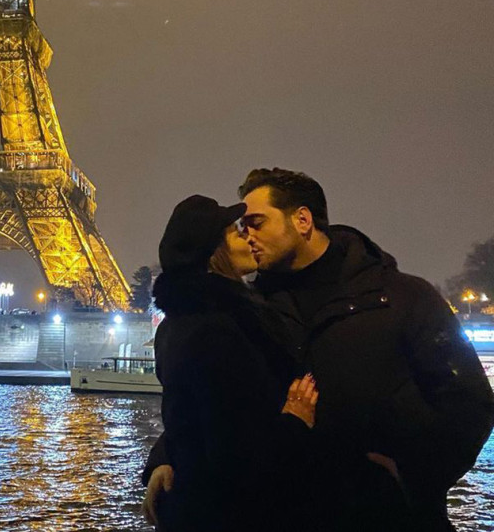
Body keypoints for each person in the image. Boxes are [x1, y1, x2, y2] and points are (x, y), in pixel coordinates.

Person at [144, 169, 494, 532]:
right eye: (242, 227)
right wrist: (166, 458)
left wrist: (409, 479)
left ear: (302, 220)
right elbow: (220, 403)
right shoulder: (243, 308)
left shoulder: (405, 298)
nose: (248, 235)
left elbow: (468, 404)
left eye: (256, 223)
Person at [142, 195, 319, 532]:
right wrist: (295, 422)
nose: (249, 237)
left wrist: (164, 459)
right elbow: (237, 455)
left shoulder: (178, 326)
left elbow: (191, 421)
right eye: (239, 232)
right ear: (214, 253)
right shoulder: (220, 330)